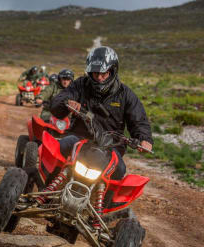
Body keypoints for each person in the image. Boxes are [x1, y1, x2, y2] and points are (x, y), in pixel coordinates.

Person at [37, 46, 153, 205]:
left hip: (110, 146)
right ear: (89, 71)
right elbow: (59, 102)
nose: (99, 78)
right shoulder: (79, 85)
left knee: (120, 170)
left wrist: (143, 139)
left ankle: (99, 212)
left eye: (103, 73)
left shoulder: (126, 94)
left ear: (112, 71)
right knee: (57, 147)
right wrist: (66, 103)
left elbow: (139, 120)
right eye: (95, 73)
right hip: (79, 137)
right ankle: (45, 192)